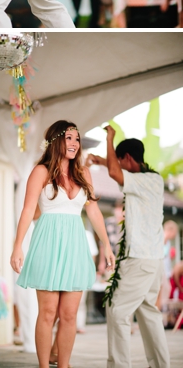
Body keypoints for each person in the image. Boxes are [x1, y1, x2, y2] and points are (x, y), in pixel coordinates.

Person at [10, 121, 114, 368]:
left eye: (77, 139)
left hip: (75, 247)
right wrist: (17, 246)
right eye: (69, 138)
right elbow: (27, 211)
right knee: (48, 313)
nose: (75, 143)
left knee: (69, 315)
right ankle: (44, 366)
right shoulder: (41, 171)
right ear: (56, 141)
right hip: (47, 245)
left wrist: (107, 245)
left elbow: (94, 212)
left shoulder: (84, 173)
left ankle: (64, 365)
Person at [86, 127, 170, 368]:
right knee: (148, 314)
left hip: (140, 259)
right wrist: (102, 161)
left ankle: (119, 365)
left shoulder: (145, 180)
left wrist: (109, 139)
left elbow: (115, 171)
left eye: (121, 161)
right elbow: (116, 168)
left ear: (129, 158)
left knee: (117, 310)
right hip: (152, 261)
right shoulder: (152, 180)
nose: (119, 166)